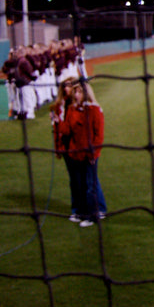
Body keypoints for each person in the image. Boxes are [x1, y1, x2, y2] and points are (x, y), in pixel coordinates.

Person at [51, 78, 107, 223]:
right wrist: (58, 122)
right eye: (75, 91)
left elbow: (99, 135)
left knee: (90, 185)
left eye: (79, 92)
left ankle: (94, 214)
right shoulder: (72, 109)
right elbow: (67, 129)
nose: (76, 95)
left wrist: (93, 154)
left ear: (86, 93)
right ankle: (83, 212)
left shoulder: (94, 110)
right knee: (82, 184)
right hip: (76, 154)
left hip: (89, 154)